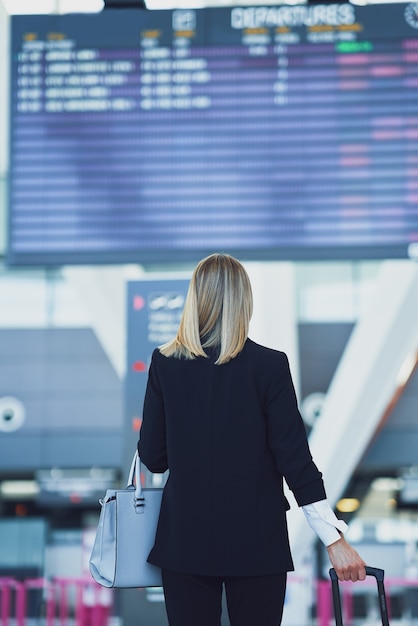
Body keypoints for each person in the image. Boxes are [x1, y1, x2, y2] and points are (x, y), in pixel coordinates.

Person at [138, 253, 366, 626]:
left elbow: (153, 456)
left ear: (195, 298)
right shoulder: (269, 366)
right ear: (245, 301)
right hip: (257, 545)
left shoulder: (165, 363)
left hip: (184, 543)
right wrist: (333, 538)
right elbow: (295, 460)